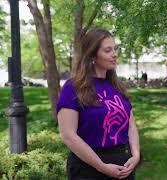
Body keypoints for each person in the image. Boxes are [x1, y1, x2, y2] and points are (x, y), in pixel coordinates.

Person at [57, 29, 140, 179]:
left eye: (115, 49)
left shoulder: (117, 87)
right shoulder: (73, 87)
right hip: (88, 168)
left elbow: (131, 125)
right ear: (92, 55)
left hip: (124, 165)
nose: (114, 54)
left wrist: (135, 155)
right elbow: (68, 135)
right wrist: (102, 167)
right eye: (108, 50)